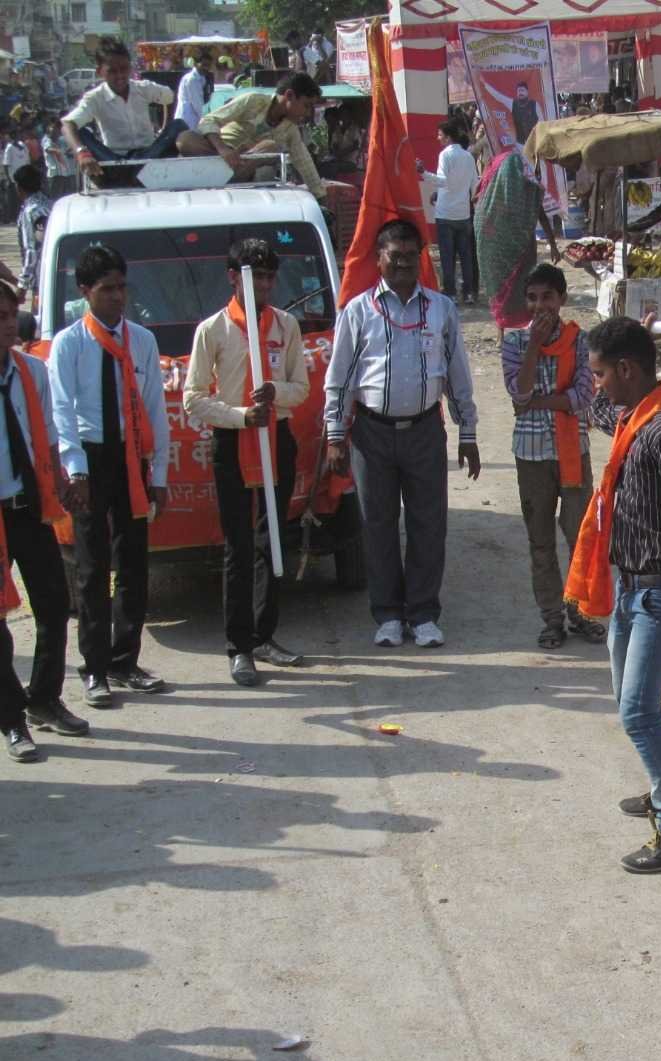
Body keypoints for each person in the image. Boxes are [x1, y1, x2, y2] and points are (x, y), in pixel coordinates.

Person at [567, 317, 661, 874]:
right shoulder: (635, 417)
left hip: (660, 591)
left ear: (626, 370)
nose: (596, 384)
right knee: (640, 705)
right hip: (632, 588)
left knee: (637, 711)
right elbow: (599, 409)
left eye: (601, 373)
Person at [323, 219, 479, 649]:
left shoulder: (441, 309)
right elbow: (340, 379)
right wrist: (335, 436)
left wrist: (468, 432)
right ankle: (388, 614)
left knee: (429, 523)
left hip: (425, 431)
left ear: (421, 259)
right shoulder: (357, 312)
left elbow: (458, 375)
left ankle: (423, 614)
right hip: (371, 434)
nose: (404, 264)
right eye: (396, 256)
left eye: (412, 256)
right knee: (378, 525)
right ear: (379, 259)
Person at [182, 239, 309, 687]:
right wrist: (239, 416)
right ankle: (239, 646)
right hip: (233, 441)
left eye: (271, 277)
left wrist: (276, 391)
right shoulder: (213, 330)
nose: (266, 285)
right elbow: (194, 397)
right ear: (233, 278)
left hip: (276, 438)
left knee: (271, 538)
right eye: (257, 277)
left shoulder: (286, 325)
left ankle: (264, 634)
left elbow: (301, 387)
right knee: (238, 545)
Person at [49, 244, 170, 706]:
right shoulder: (70, 343)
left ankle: (125, 660)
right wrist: (75, 470)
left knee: (134, 561)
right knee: (92, 565)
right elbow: (62, 410)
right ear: (85, 291)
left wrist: (158, 472)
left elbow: (155, 408)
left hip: (131, 458)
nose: (117, 297)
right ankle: (94, 667)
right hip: (90, 460)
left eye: (122, 287)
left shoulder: (141, 340)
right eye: (106, 289)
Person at [0, 281, 88, 760]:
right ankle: (11, 719)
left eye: (10, 315)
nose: (7, 325)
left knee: (54, 605)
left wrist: (63, 484)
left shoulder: (32, 371)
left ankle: (44, 700)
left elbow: (49, 436)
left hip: (29, 507)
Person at [502, 263, 606, 650]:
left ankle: (579, 612)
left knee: (580, 538)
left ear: (561, 299)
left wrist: (534, 403)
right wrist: (534, 346)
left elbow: (583, 397)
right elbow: (519, 392)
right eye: (532, 298)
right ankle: (551, 618)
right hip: (531, 455)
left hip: (572, 451)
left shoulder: (580, 341)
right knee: (541, 541)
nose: (539, 305)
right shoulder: (515, 342)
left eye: (547, 297)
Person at [180, 74, 329, 204]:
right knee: (185, 138)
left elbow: (304, 163)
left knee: (270, 148)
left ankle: (227, 180)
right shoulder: (253, 100)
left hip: (244, 172)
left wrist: (320, 197)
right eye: (306, 106)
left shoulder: (291, 130)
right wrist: (223, 149)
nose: (308, 113)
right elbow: (209, 120)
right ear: (289, 95)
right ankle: (222, 175)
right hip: (218, 155)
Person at [62, 40, 184, 174]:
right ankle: (130, 174)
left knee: (178, 125)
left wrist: (163, 126)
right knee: (80, 132)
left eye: (124, 69)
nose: (120, 76)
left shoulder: (143, 88)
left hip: (149, 155)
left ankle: (134, 174)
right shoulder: (94, 97)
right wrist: (81, 153)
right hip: (115, 161)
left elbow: (171, 97)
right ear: (100, 72)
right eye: (112, 71)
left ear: (130, 68)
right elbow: (67, 124)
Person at [430, 119, 481, 305]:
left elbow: (443, 181)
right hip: (463, 214)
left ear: (448, 137)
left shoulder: (445, 155)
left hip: (445, 213)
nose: (438, 138)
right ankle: (468, 293)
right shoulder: (468, 157)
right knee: (466, 256)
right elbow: (474, 184)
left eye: (440, 135)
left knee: (447, 257)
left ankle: (450, 292)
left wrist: (423, 174)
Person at [14, 165, 48, 311]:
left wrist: (22, 286)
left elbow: (32, 250)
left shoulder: (30, 212)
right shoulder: (51, 204)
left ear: (19, 187)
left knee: (39, 319)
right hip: (55, 273)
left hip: (40, 281)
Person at [176, 51, 213, 132]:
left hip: (194, 118)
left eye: (208, 65)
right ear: (196, 64)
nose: (206, 68)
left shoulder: (202, 78)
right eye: (204, 65)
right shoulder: (192, 80)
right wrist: (208, 121)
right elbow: (197, 103)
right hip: (187, 119)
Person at [41, 117, 73, 200]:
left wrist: (70, 151)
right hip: (54, 175)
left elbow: (70, 150)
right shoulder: (46, 139)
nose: (57, 131)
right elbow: (49, 150)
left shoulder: (61, 140)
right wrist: (62, 152)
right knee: (55, 198)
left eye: (58, 129)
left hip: (65, 173)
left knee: (66, 197)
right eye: (55, 128)